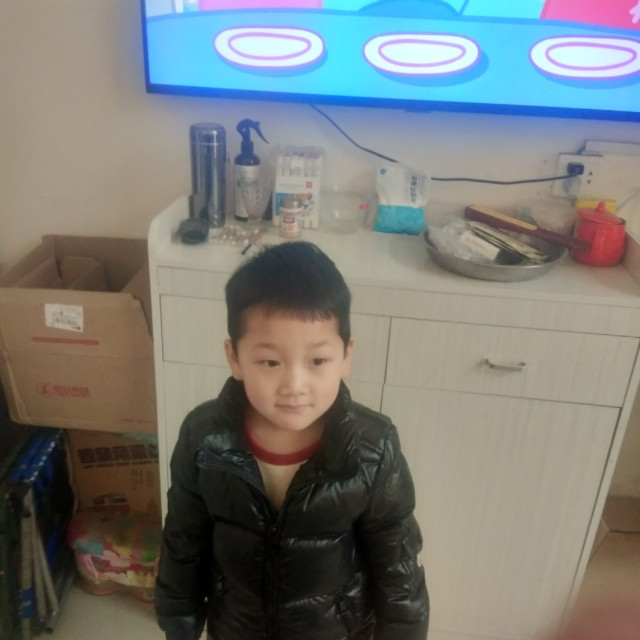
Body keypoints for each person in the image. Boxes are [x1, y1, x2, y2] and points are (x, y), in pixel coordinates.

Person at [154, 241, 429, 640]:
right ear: (235, 358)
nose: (294, 385)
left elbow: (397, 565)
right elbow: (183, 540)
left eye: (317, 361)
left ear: (346, 356)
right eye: (271, 362)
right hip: (237, 630)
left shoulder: (373, 447)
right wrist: (179, 625)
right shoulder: (203, 437)